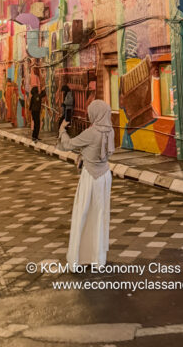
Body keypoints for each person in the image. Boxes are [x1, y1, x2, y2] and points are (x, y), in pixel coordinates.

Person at [59, 100, 114, 268]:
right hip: (104, 176)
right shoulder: (110, 130)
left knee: (82, 213)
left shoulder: (92, 132)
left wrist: (62, 130)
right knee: (99, 215)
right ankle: (98, 258)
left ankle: (78, 257)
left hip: (90, 177)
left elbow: (68, 144)